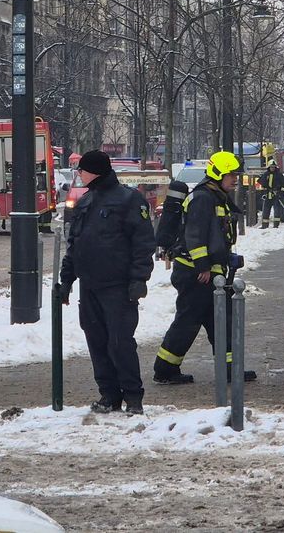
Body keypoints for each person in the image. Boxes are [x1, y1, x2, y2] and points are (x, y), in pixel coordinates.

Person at [58, 150, 155, 415]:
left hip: (118, 287)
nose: (78, 174)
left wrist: (139, 279)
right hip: (90, 287)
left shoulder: (128, 199)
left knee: (120, 342)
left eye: (82, 169)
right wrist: (66, 281)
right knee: (97, 342)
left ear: (96, 170)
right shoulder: (86, 201)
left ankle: (133, 397)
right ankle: (109, 395)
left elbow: (143, 243)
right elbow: (74, 245)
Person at [153, 151, 256, 386]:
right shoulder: (203, 198)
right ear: (218, 173)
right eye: (231, 175)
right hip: (195, 273)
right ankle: (165, 369)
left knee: (222, 320)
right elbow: (195, 235)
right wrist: (204, 267)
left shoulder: (216, 196)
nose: (235, 179)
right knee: (188, 322)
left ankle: (231, 367)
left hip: (210, 271)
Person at [256, 158, 284, 229]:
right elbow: (261, 182)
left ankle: (276, 225)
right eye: (271, 167)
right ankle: (264, 225)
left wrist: (280, 192)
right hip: (267, 195)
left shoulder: (279, 175)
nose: (272, 168)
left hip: (276, 195)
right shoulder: (265, 174)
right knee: (266, 211)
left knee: (277, 211)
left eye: (274, 167)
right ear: (268, 167)